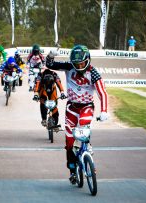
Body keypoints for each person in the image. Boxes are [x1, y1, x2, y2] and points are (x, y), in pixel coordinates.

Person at [45, 45, 108, 184]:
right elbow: (49, 64)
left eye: (82, 63)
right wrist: (50, 55)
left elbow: (102, 93)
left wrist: (104, 111)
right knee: (69, 142)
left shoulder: (94, 73)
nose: (80, 66)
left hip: (86, 106)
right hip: (71, 107)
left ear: (88, 60)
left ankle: (88, 149)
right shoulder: (68, 67)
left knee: (84, 128)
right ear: (72, 62)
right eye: (76, 64)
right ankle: (72, 171)